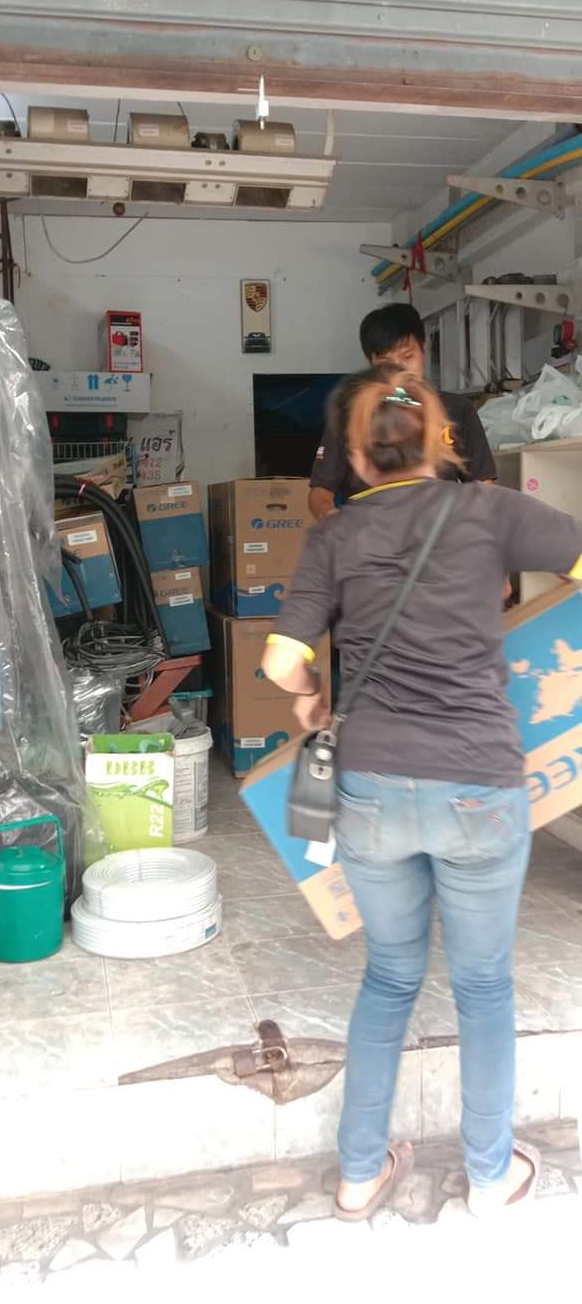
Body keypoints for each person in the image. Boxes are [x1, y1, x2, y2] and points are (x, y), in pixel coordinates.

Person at [263, 364, 582, 1220]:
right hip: (478, 783)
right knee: (483, 987)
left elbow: (281, 659)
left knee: (390, 974)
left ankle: (359, 1171)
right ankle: (489, 1173)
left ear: (354, 457)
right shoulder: (490, 510)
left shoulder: (334, 536)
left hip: (370, 787)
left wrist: (310, 698)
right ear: (441, 439)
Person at [308, 302, 496, 521]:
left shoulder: (457, 409)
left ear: (423, 349)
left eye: (407, 357)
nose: (398, 370)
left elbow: (483, 485)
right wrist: (331, 517)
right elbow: (320, 492)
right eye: (385, 362)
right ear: (370, 362)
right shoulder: (350, 415)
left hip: (438, 533)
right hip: (371, 532)